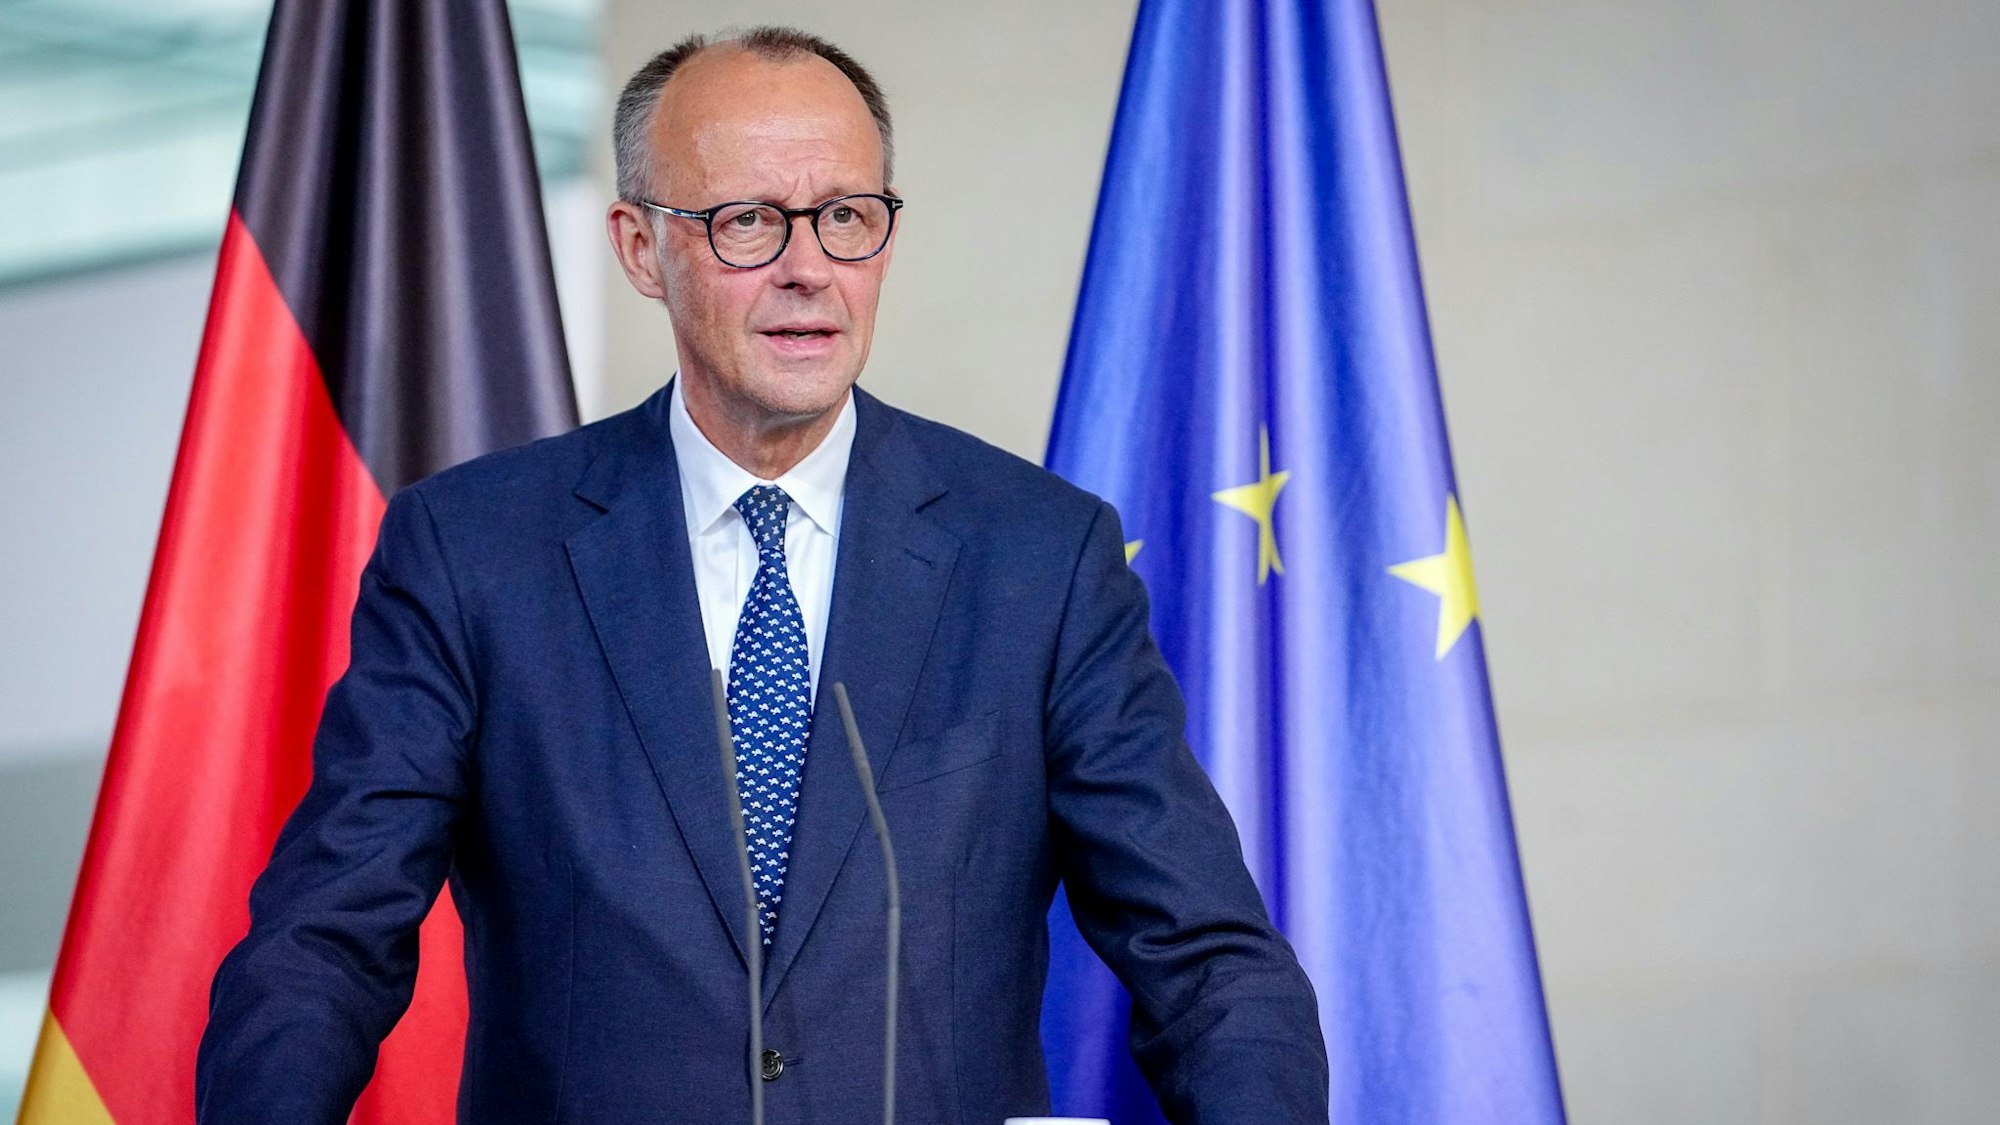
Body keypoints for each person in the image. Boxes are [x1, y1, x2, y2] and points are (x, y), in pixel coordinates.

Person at [197, 26, 1328, 1124]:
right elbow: (326, 941)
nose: (807, 270)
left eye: (846, 217)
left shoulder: (1039, 553)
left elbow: (1204, 958)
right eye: (747, 222)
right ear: (641, 248)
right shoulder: (473, 550)